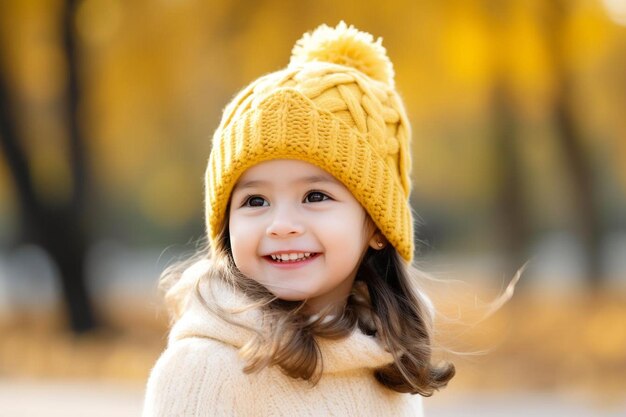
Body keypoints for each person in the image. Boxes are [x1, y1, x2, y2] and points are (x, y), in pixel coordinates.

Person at [143, 21, 455, 417]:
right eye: (255, 200)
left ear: (377, 225)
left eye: (315, 196)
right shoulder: (205, 368)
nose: (281, 224)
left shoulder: (387, 364)